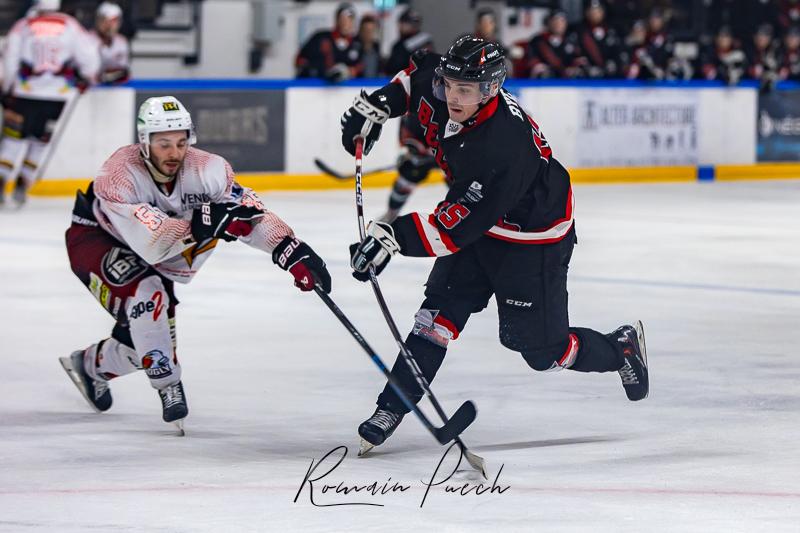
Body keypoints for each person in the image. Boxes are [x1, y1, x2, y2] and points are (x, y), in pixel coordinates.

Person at [340, 37, 649, 453]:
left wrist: (392, 238)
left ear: (490, 90)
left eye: (465, 90)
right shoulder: (446, 84)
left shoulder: (502, 147)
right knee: (434, 320)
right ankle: (390, 408)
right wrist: (379, 104)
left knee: (543, 352)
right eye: (450, 84)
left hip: (531, 239)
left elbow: (453, 231)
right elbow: (414, 77)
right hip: (481, 222)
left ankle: (620, 348)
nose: (452, 95)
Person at [60, 96, 331, 433]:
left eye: (180, 142)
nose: (174, 153)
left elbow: (247, 214)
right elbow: (152, 243)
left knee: (142, 337)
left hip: (164, 247)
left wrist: (289, 249)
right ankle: (168, 382)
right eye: (163, 144)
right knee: (148, 296)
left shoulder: (208, 170)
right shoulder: (118, 175)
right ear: (144, 142)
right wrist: (208, 219)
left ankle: (88, 366)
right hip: (97, 239)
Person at [0, 0, 99, 206]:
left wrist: (7, 87)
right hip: (58, 95)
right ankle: (24, 183)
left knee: (13, 138)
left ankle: (1, 181)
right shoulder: (71, 25)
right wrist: (88, 78)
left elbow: (10, 59)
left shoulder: (24, 25)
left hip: (24, 93)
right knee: (40, 140)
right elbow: (89, 56)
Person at [295, 3, 362, 83]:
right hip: (316, 88)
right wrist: (323, 71)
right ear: (337, 19)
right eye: (343, 19)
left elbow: (363, 67)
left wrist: (349, 72)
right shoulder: (321, 38)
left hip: (347, 91)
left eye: (350, 19)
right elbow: (300, 60)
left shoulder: (357, 44)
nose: (346, 23)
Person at [527, 10, 583, 78]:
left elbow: (578, 59)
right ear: (549, 23)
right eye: (555, 21)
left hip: (569, 81)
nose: (559, 24)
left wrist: (574, 68)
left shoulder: (571, 40)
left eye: (562, 21)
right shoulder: (538, 40)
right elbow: (533, 60)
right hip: (546, 80)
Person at [576, 0, 624, 78]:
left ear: (602, 12)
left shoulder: (611, 30)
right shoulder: (580, 31)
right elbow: (577, 55)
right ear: (586, 13)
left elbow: (618, 52)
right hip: (587, 79)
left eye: (597, 11)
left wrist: (614, 64)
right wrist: (587, 68)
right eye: (592, 11)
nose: (594, 14)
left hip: (611, 78)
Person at [88, 1, 130, 85]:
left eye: (114, 21)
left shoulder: (121, 42)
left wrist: (106, 76)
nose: (109, 25)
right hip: (88, 90)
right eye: (105, 20)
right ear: (98, 20)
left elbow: (123, 72)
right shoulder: (87, 39)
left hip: (114, 90)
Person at [384, 7, 432, 76]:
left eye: (415, 24)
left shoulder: (425, 42)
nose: (413, 27)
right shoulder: (399, 44)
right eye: (409, 23)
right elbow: (390, 68)